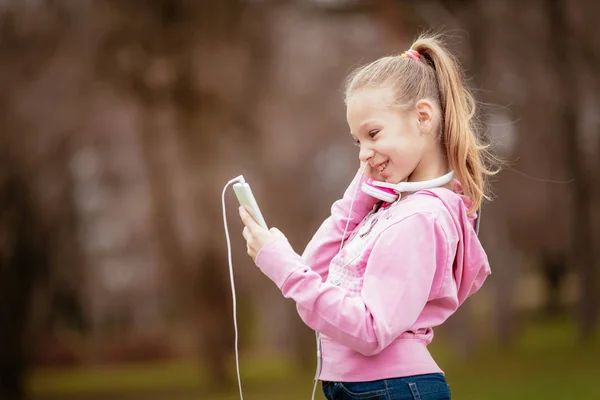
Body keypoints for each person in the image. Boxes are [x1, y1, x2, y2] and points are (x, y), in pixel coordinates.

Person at [238, 33, 496, 400]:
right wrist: (354, 203)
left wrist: (283, 268)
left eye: (373, 133)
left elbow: (370, 330)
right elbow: (316, 272)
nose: (363, 153)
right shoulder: (392, 211)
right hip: (368, 388)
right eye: (358, 141)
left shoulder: (419, 218)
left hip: (391, 389)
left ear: (423, 116)